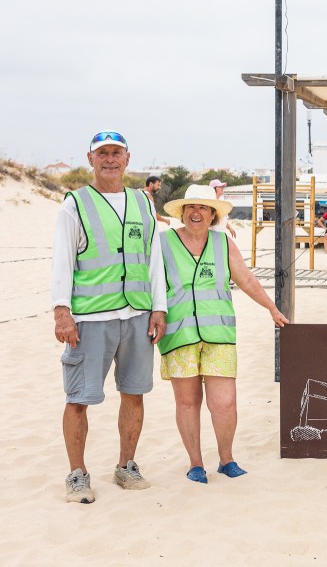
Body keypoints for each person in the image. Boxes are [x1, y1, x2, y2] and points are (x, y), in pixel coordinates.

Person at [52, 129, 167, 503]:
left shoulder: (143, 202)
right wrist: (62, 312)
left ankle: (126, 466)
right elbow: (62, 261)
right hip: (91, 318)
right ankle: (77, 474)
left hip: (137, 315)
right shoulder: (75, 204)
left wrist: (159, 308)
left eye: (116, 153)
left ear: (127, 159)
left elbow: (153, 260)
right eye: (102, 153)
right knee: (78, 398)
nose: (110, 159)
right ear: (91, 159)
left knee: (134, 393)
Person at [161, 184, 288, 483]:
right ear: (182, 212)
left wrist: (271, 308)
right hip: (178, 334)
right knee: (188, 402)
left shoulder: (223, 243)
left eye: (203, 208)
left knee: (225, 402)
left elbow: (246, 280)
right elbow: (150, 284)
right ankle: (195, 464)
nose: (196, 213)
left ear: (213, 215)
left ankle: (226, 459)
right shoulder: (163, 243)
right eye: (191, 207)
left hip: (219, 334)